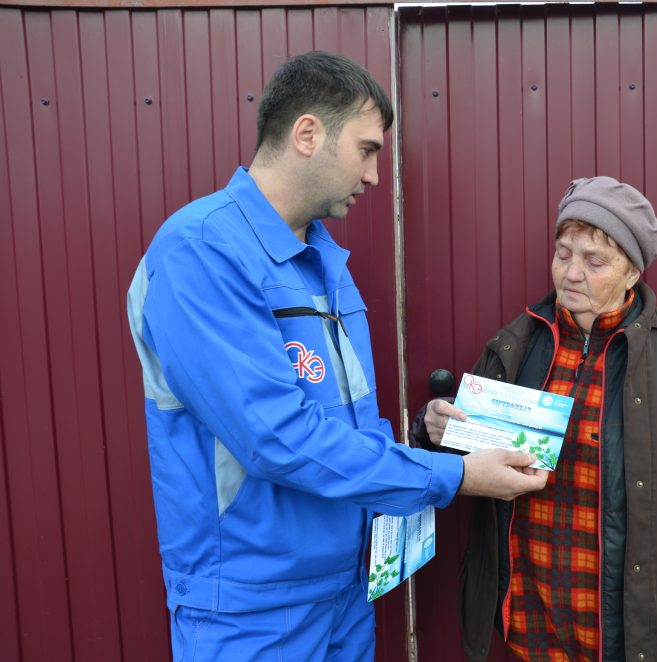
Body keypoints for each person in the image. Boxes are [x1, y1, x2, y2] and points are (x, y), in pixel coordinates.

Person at [126, 51, 547, 661]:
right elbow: (276, 437)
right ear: (307, 133)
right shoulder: (201, 252)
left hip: (346, 591)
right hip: (253, 609)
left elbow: (338, 421)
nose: (375, 176)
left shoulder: (321, 257)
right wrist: (453, 477)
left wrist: (423, 437)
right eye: (368, 149)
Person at [411, 176, 657, 662]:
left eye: (595, 261)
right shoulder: (517, 345)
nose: (571, 273)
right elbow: (470, 448)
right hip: (534, 607)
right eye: (563, 254)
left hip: (630, 614)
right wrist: (432, 430)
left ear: (633, 273)